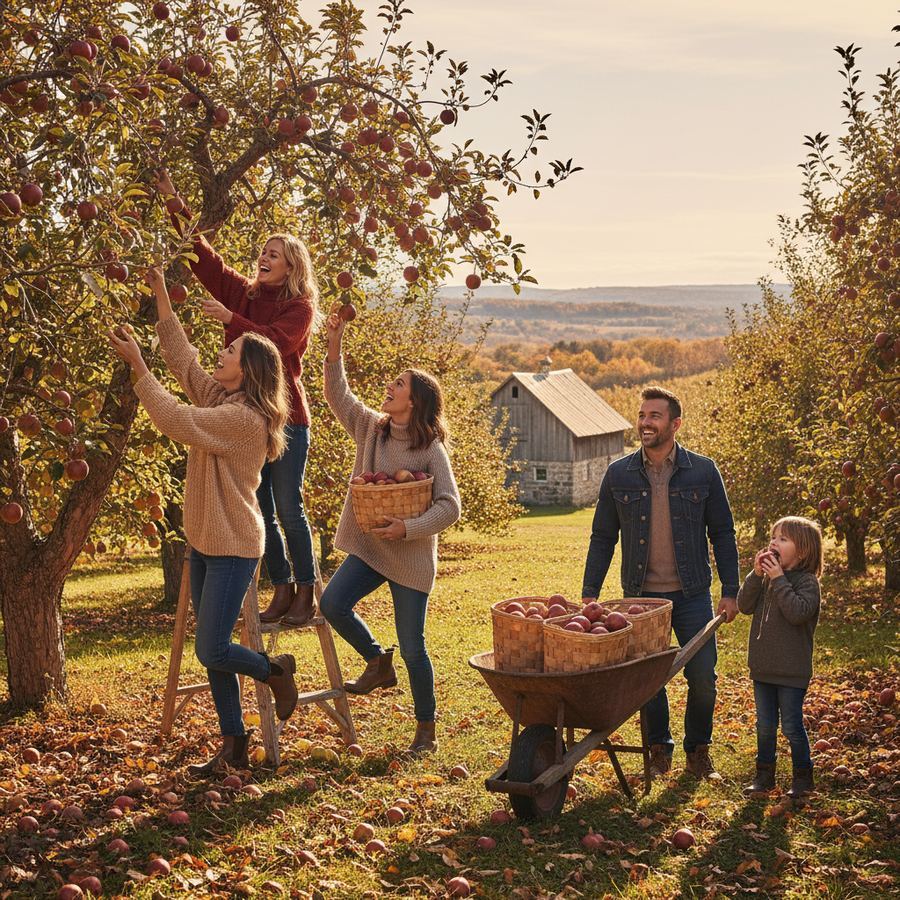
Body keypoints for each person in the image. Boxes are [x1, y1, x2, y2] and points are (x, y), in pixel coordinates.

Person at [109, 267, 299, 775]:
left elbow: (175, 418)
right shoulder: (224, 398)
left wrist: (139, 367)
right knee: (214, 651)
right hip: (207, 542)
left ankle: (274, 669)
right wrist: (160, 297)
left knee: (212, 648)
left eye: (230, 351)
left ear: (248, 370)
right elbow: (186, 362)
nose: (221, 352)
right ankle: (234, 745)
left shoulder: (243, 419)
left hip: (234, 545)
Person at [154, 169, 321, 628]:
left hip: (287, 418)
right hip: (243, 414)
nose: (264, 258)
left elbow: (274, 346)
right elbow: (204, 261)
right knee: (260, 506)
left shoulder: (300, 307)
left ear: (292, 267)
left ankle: (307, 589)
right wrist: (173, 200)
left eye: (275, 254)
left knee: (288, 506)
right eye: (263, 252)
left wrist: (232, 319)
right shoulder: (245, 292)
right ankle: (282, 586)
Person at [318, 306, 461, 754]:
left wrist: (410, 527)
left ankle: (426, 729)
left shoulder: (430, 448)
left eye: (399, 384)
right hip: (371, 547)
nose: (389, 386)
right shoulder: (372, 429)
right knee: (333, 603)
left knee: (414, 647)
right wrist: (335, 343)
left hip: (410, 556)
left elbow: (450, 506)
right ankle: (377, 661)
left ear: (414, 401)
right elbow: (337, 395)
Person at [581, 386, 740, 780]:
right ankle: (658, 751)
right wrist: (590, 592)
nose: (645, 422)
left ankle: (698, 751)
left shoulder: (703, 471)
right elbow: (603, 537)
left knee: (702, 677)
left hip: (692, 594)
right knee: (647, 682)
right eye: (642, 415)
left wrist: (730, 591)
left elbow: (723, 533)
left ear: (675, 424)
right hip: (641, 598)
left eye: (654, 415)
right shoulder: (619, 473)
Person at [738, 516, 822, 798]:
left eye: (783, 539)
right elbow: (744, 605)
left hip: (791, 671)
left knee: (791, 726)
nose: (774, 542)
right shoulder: (765, 579)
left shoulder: (808, 583)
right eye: (773, 537)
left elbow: (797, 613)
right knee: (765, 726)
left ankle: (803, 778)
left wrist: (778, 579)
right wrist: (755, 575)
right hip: (763, 668)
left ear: (803, 551)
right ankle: (764, 776)